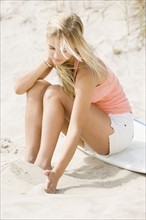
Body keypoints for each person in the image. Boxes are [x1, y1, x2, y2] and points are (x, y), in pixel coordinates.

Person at [14, 12, 134, 193]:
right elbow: (19, 88)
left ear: (75, 45)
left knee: (54, 93)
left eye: (63, 49)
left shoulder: (86, 70)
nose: (57, 55)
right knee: (38, 87)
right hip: (94, 131)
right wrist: (47, 61)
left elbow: (76, 127)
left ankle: (43, 163)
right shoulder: (59, 56)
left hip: (116, 133)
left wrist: (57, 173)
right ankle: (31, 159)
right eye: (51, 47)